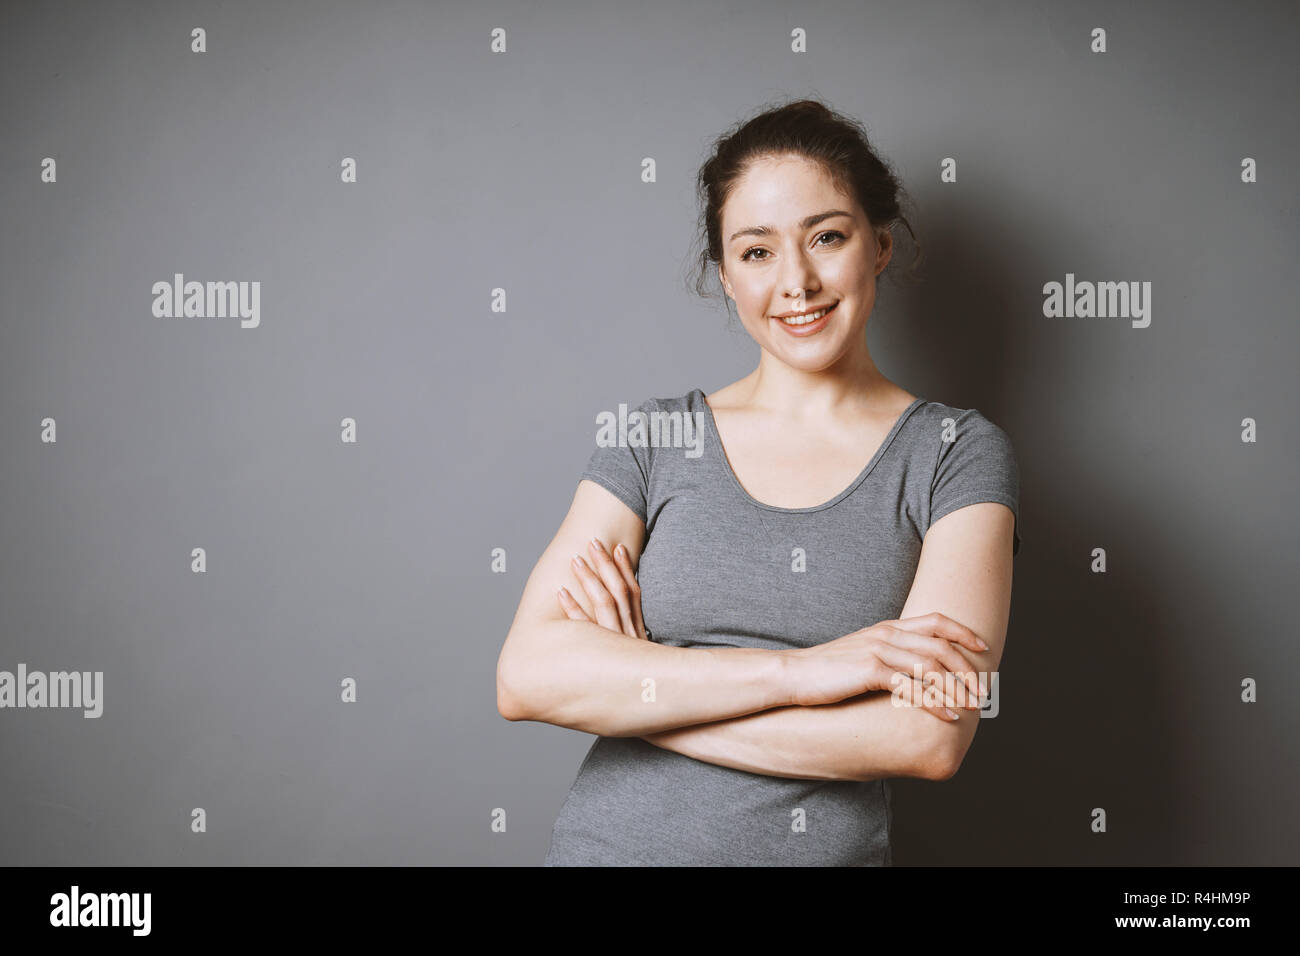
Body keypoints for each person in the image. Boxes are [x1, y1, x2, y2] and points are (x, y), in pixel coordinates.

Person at [496, 98, 1020, 866]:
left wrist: (642, 694)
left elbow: (926, 735)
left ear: (878, 244)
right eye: (757, 252)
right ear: (725, 276)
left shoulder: (955, 452)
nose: (797, 283)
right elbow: (528, 678)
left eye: (827, 237)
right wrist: (807, 673)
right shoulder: (654, 436)